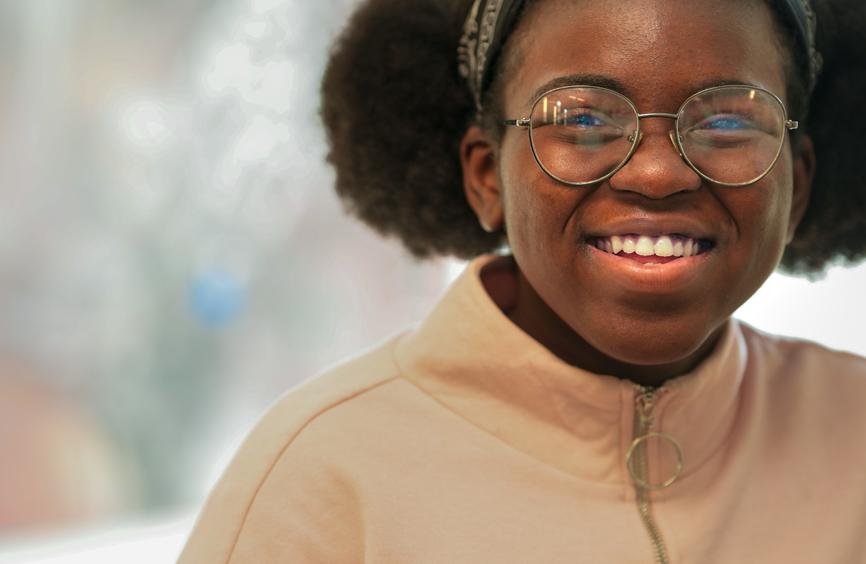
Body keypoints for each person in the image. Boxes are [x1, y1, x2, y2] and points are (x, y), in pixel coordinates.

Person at [178, 0, 866, 561]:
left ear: (797, 184)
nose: (658, 173)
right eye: (583, 119)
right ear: (486, 177)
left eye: (725, 119)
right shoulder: (321, 477)